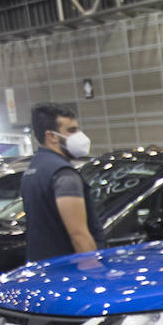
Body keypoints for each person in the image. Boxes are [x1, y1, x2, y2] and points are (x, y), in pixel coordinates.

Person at [21, 102, 105, 263]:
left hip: (42, 265)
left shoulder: (33, 169)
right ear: (51, 136)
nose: (79, 136)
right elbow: (78, 234)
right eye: (72, 131)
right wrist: (95, 271)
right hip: (68, 269)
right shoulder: (63, 174)